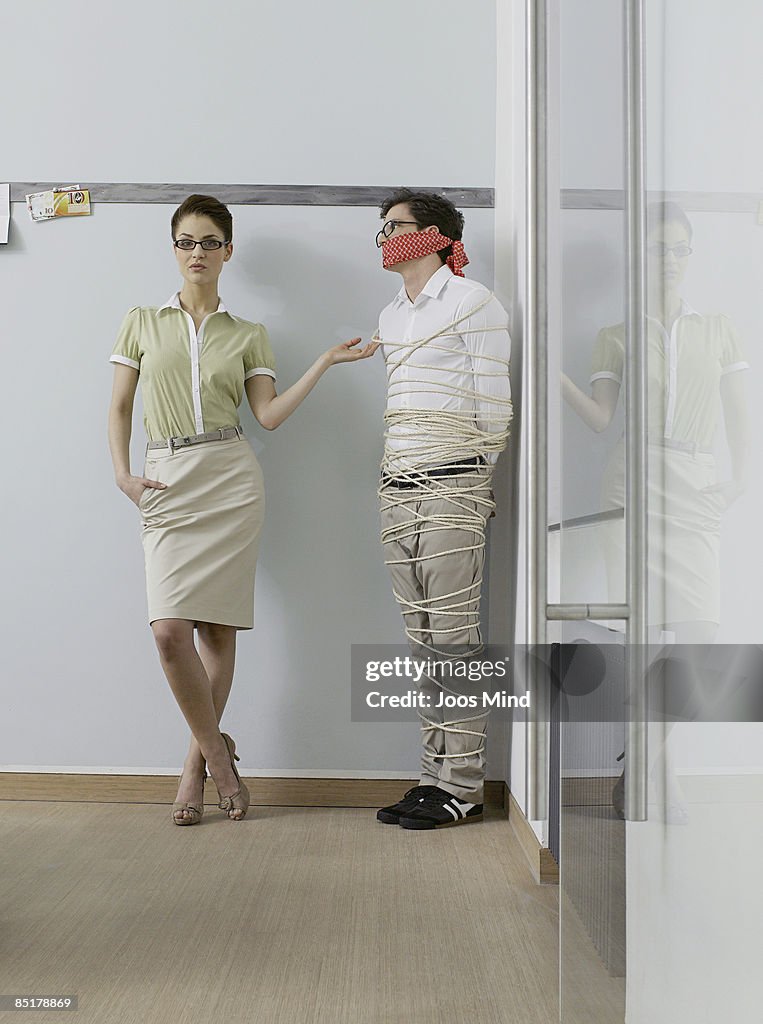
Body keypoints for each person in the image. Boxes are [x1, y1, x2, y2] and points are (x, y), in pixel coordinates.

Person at [107, 194, 377, 826]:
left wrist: (326, 362)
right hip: (167, 479)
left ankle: (193, 768)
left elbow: (269, 417)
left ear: (228, 251)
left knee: (217, 633)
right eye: (185, 242)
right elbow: (120, 406)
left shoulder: (249, 334)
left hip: (230, 480)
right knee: (169, 633)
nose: (196, 252)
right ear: (173, 250)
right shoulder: (140, 321)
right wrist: (123, 475)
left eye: (208, 242)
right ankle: (219, 756)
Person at [562, 200, 750, 821]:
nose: (668, 260)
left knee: (702, 636)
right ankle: (651, 777)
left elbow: (740, 414)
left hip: (694, 483)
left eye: (679, 249)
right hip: (632, 482)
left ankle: (641, 760)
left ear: (691, 255)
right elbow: (599, 420)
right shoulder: (615, 335)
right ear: (639, 255)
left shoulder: (719, 327)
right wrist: (548, 369)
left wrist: (739, 482)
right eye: (657, 249)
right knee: (641, 636)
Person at [372, 188, 513, 831]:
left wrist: (472, 487)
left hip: (452, 486)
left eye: (395, 227)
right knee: (424, 644)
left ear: (433, 234)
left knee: (456, 644)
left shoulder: (473, 303)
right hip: (398, 487)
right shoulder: (389, 316)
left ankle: (462, 786)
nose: (383, 238)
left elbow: (494, 408)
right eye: (381, 229)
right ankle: (432, 778)